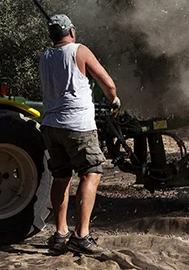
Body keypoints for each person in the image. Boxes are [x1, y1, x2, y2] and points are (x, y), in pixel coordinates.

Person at [39, 14, 120, 255]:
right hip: (78, 125)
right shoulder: (80, 50)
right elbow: (108, 82)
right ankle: (82, 235)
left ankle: (60, 233)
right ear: (71, 32)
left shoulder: (45, 57)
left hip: (51, 126)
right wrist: (114, 100)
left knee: (61, 177)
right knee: (91, 173)